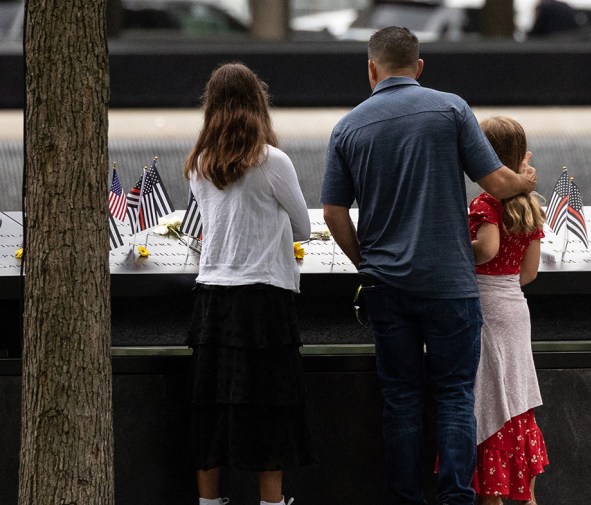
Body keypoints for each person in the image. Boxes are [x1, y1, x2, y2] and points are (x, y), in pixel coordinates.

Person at [321, 26, 537, 505]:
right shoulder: (451, 109)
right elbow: (497, 184)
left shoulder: (348, 127)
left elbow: (334, 213)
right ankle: (456, 497)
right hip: (450, 286)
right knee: (455, 397)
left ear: (371, 70)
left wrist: (367, 263)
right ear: (419, 68)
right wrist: (524, 181)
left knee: (400, 400)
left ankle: (405, 498)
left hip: (386, 286)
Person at [183, 62, 313, 505]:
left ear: (212, 106)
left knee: (210, 406)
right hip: (264, 299)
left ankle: (209, 501)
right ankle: (272, 502)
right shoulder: (273, 161)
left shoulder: (199, 163)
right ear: (258, 104)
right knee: (269, 404)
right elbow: (303, 227)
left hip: (212, 300)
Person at [468, 117, 549, 505]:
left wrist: (452, 249)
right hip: (516, 308)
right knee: (515, 398)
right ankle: (525, 493)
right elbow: (529, 273)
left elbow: (487, 249)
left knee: (489, 401)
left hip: (487, 309)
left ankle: (493, 494)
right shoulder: (530, 207)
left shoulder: (486, 203)